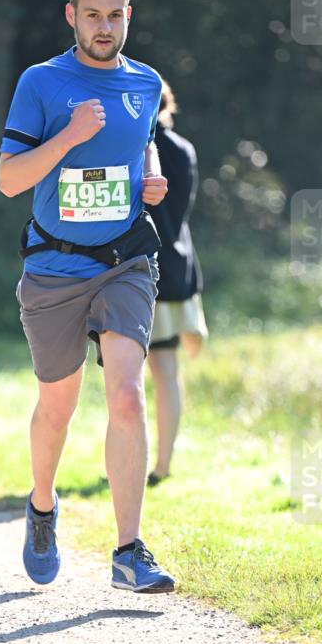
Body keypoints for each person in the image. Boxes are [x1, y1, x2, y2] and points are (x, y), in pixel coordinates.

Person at [0, 0, 176, 593]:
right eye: (93, 15)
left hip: (127, 260)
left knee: (127, 394)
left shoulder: (147, 81)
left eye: (116, 14)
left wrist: (150, 176)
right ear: (72, 15)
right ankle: (42, 505)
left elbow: (140, 139)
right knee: (58, 405)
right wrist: (69, 137)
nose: (105, 26)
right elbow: (10, 179)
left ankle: (128, 552)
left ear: (130, 15)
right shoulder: (41, 83)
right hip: (53, 265)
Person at [146, 79, 208, 486]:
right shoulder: (185, 150)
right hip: (179, 268)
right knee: (168, 374)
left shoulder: (134, 149)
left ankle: (127, 461)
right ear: (169, 107)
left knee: (127, 377)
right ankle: (163, 465)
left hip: (139, 269)